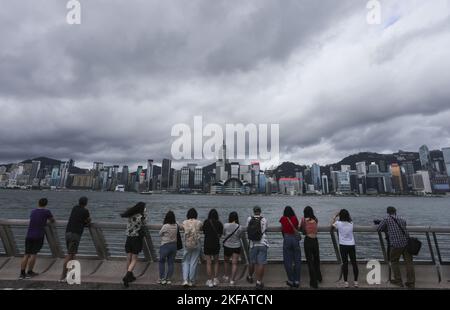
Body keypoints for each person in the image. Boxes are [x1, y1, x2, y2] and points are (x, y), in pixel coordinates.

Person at [377, 206, 415, 288]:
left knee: (394, 261)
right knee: (409, 263)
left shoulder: (386, 219)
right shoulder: (402, 219)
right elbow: (404, 227)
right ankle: (411, 282)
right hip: (406, 243)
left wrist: (386, 228)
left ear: (387, 212)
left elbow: (379, 229)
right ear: (395, 211)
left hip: (396, 244)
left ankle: (398, 281)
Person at [19, 198, 54, 279]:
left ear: (38, 203)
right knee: (33, 254)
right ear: (46, 204)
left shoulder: (33, 211)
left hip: (29, 235)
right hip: (38, 235)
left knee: (26, 254)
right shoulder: (46, 212)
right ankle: (30, 272)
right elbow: (52, 220)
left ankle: (22, 273)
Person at [60, 197, 91, 282]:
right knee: (70, 255)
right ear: (86, 203)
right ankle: (63, 276)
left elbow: (77, 218)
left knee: (73, 254)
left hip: (68, 232)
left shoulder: (74, 208)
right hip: (75, 234)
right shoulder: (85, 211)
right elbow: (88, 220)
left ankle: (72, 275)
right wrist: (86, 222)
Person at [120, 202, 147, 287]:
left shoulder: (130, 215)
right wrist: (145, 213)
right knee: (134, 259)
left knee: (128, 258)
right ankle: (127, 276)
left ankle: (129, 276)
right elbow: (144, 223)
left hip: (129, 238)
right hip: (136, 238)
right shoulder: (141, 217)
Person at [332, 209, 359, 288]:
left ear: (340, 215)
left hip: (343, 245)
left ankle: (346, 282)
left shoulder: (338, 223)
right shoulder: (351, 223)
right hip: (351, 245)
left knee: (345, 263)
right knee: (354, 263)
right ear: (348, 215)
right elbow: (349, 219)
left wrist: (335, 216)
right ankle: (356, 282)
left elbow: (332, 225)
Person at [246, 206, 269, 290]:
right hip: (263, 243)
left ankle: (250, 277)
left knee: (252, 262)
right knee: (261, 263)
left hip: (253, 244)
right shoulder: (264, 220)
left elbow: (248, 229)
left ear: (253, 211)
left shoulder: (249, 219)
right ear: (260, 211)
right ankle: (259, 282)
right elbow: (265, 229)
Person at [299, 206, 322, 289]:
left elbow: (300, 228)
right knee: (316, 260)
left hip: (308, 241)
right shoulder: (315, 219)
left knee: (310, 262)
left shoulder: (303, 220)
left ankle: (313, 282)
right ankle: (319, 277)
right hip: (315, 240)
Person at [279, 206, 301, 288]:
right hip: (295, 239)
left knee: (288, 260)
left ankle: (291, 280)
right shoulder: (295, 218)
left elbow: (282, 228)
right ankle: (297, 280)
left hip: (287, 238)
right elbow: (296, 227)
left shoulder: (283, 218)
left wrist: (285, 236)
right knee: (297, 260)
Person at [182, 208, 203, 287]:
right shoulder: (199, 222)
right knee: (193, 262)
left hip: (187, 244)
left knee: (186, 262)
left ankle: (185, 280)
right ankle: (192, 280)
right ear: (196, 215)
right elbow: (201, 227)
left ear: (188, 215)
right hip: (196, 244)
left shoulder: (184, 222)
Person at [202, 209, 223, 287]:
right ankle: (215, 279)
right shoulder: (219, 223)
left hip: (207, 244)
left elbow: (204, 232)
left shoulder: (206, 222)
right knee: (216, 262)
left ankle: (210, 281)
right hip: (216, 244)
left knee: (209, 262)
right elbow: (220, 235)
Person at [222, 211, 244, 286]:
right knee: (234, 263)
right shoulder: (239, 227)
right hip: (236, 246)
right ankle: (232, 280)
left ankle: (226, 276)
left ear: (230, 217)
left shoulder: (225, 225)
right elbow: (240, 236)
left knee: (226, 261)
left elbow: (224, 234)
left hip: (227, 246)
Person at [158, 211, 178, 285]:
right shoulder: (176, 225)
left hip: (165, 245)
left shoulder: (165, 226)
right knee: (171, 263)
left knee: (161, 262)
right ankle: (168, 279)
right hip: (174, 246)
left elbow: (160, 234)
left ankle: (162, 279)